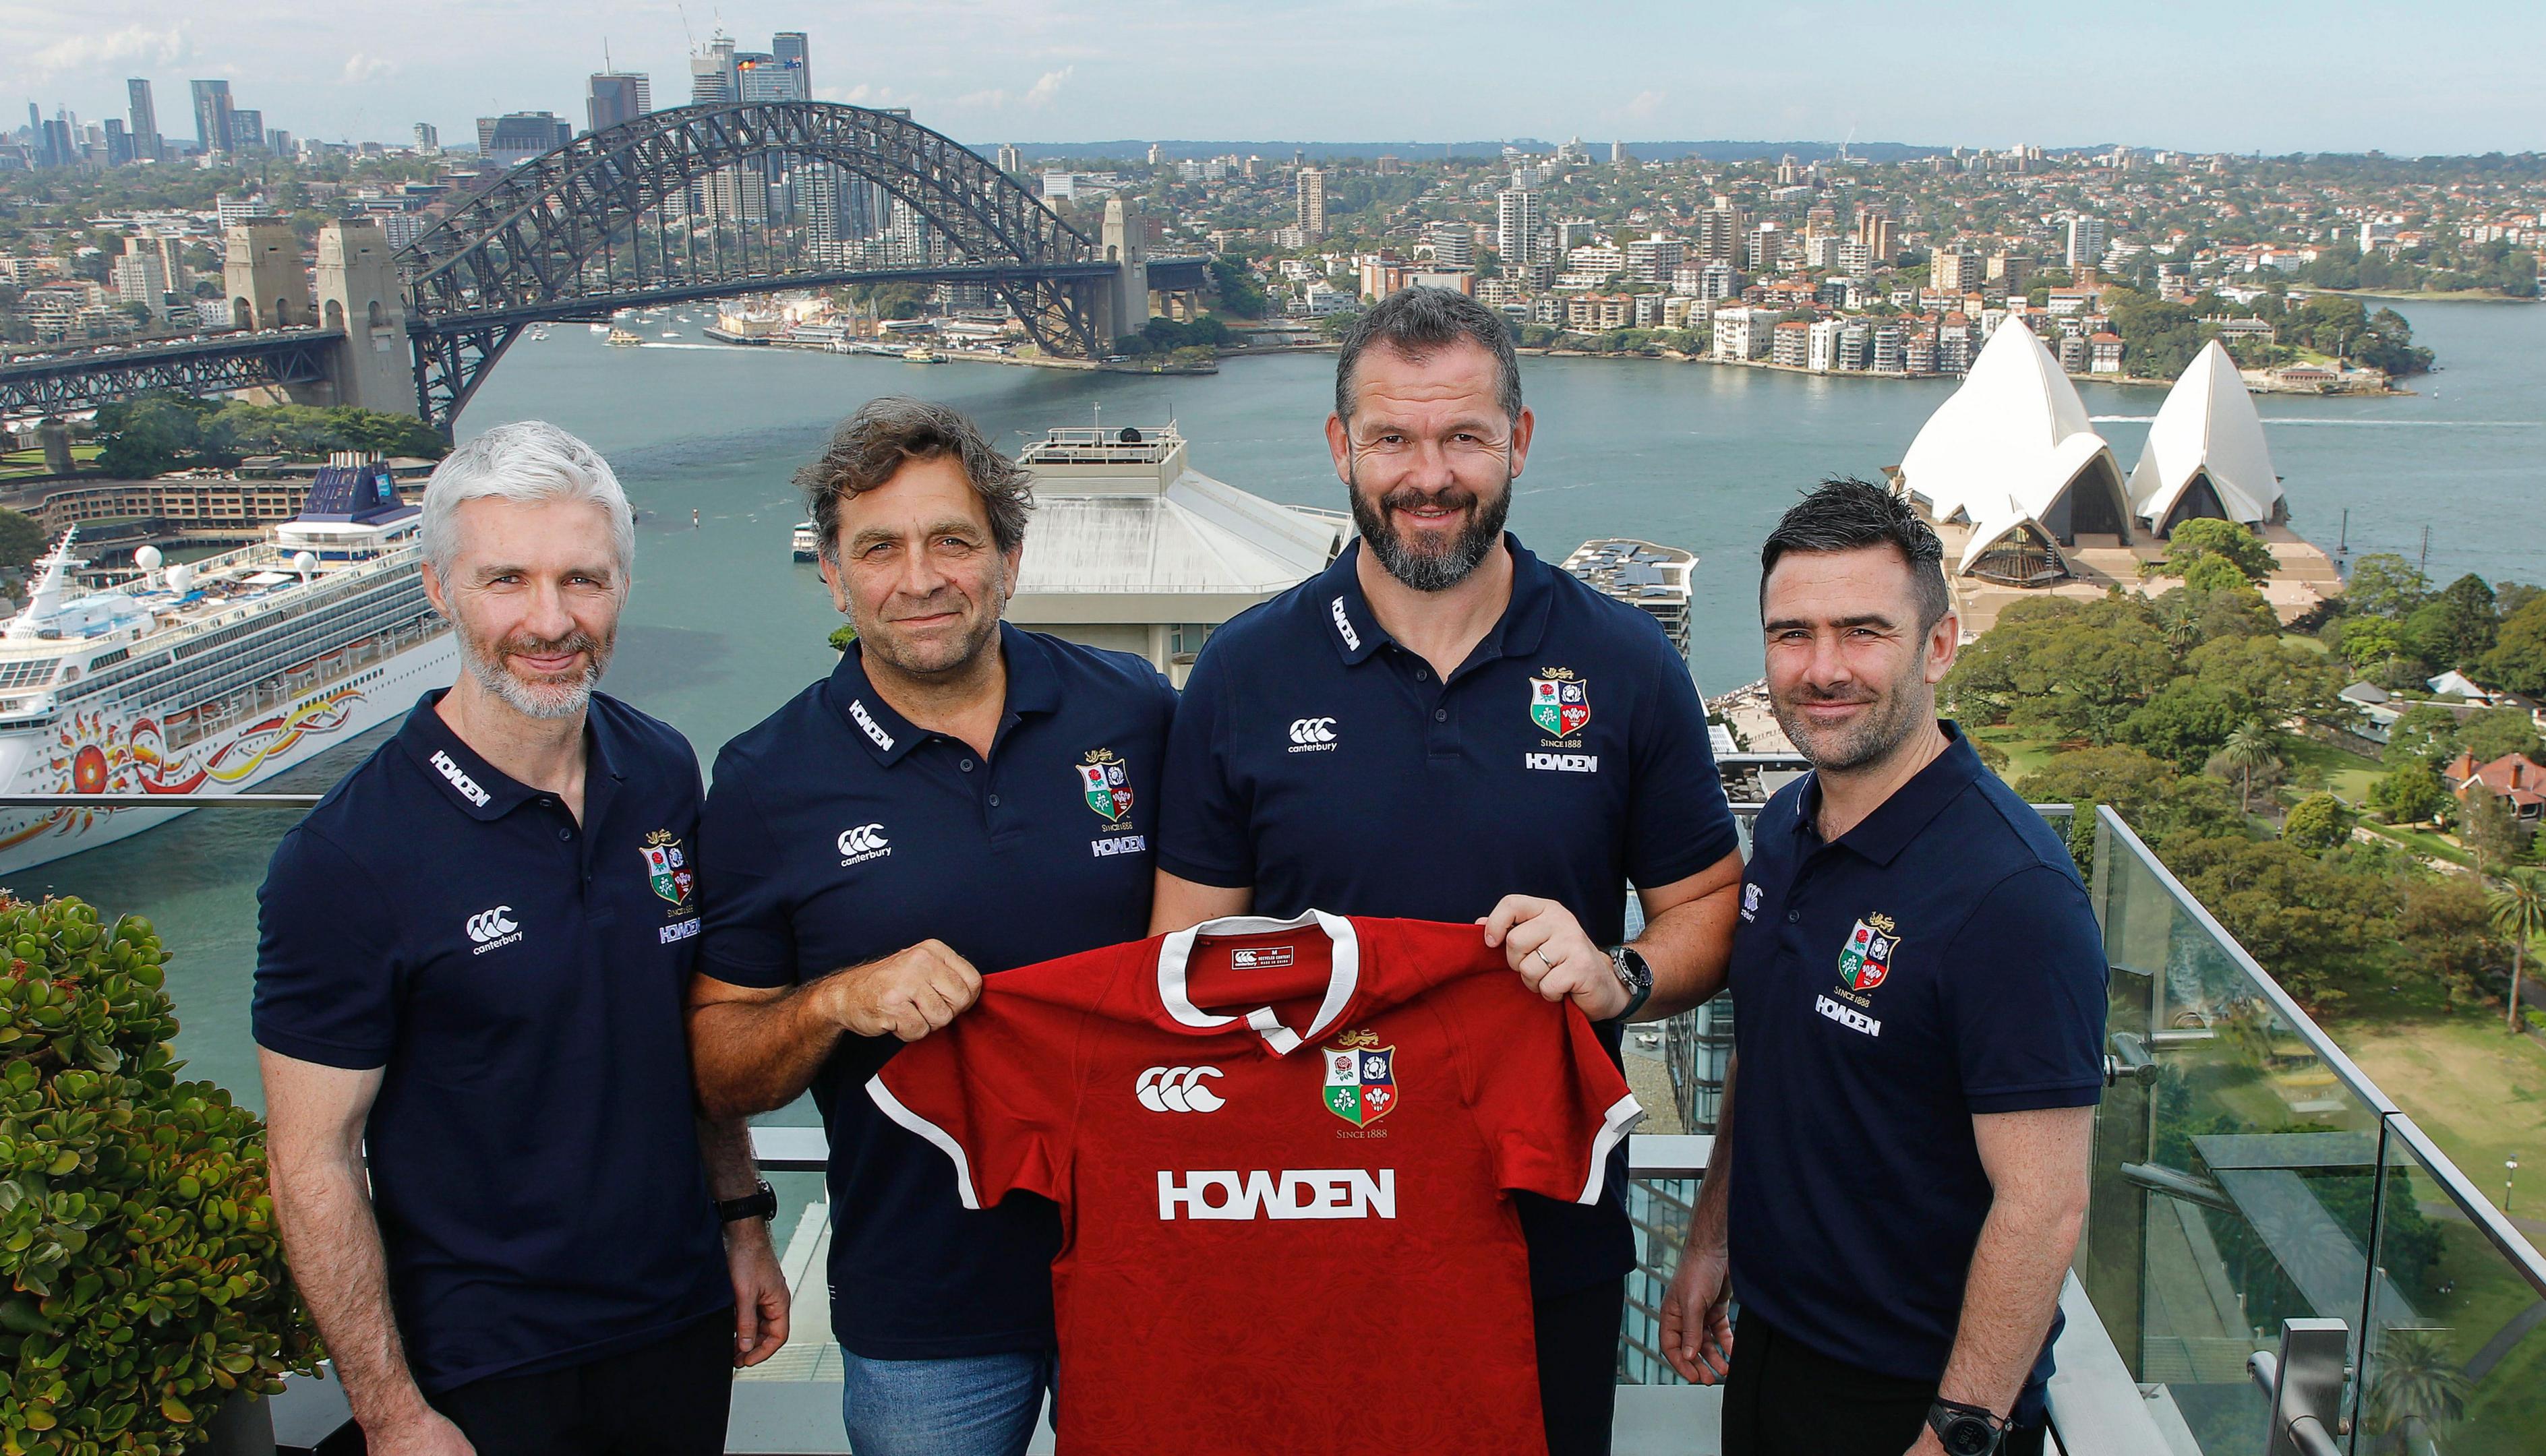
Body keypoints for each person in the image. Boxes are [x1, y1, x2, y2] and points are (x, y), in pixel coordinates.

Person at [1150, 286, 1746, 1456]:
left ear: (1518, 441)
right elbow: (1180, 967)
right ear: (1341, 450)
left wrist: (1619, 970)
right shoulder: (1245, 670)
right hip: (1312, 1222)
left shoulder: (1622, 664)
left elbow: (1709, 907)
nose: (1431, 476)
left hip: (1548, 1231)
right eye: (1394, 439)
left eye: (1465, 435)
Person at [256, 421, 789, 1456]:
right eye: (508, 579)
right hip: (482, 1360)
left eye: (582, 580)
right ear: (438, 591)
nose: (551, 621)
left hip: (676, 1321)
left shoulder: (663, 769)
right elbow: (310, 1164)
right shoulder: (347, 859)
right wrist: (391, 1413)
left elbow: (687, 1029)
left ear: (622, 588)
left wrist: (743, 1221)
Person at [686, 398, 1176, 1456]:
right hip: (924, 1311)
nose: (920, 578)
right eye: (880, 548)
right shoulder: (768, 781)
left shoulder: (1132, 708)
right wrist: (837, 998)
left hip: (1151, 1268)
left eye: (953, 540)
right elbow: (716, 1069)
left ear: (1008, 555)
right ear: (831, 572)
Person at [1656, 479, 2106, 1456]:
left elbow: (2045, 1203)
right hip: (1773, 1352)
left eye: (1864, 632)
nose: (1823, 670)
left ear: (1938, 647)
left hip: (1914, 1399)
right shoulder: (1784, 828)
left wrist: (1960, 1429)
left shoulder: (2013, 896)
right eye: (1792, 634)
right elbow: (1767, 1056)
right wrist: (1711, 1241)